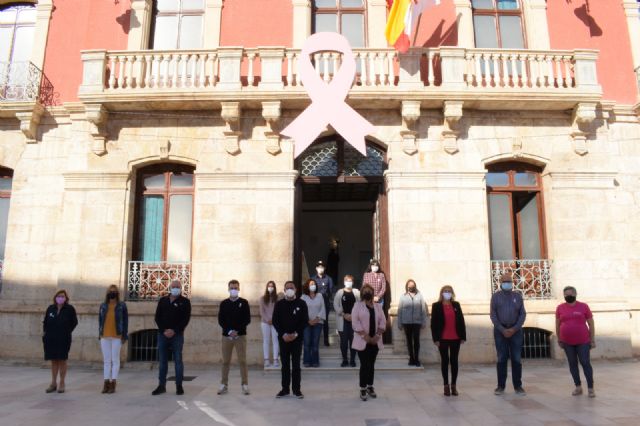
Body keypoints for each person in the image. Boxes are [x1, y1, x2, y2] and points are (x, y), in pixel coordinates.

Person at [152, 279, 191, 396]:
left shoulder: (185, 302)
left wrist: (174, 330)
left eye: (177, 287)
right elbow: (157, 317)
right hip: (162, 335)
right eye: (173, 286)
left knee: (178, 360)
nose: (175, 288)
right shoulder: (163, 300)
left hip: (177, 335)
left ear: (180, 288)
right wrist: (164, 330)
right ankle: (161, 385)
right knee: (163, 361)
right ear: (170, 288)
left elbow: (185, 319)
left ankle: (179, 386)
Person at [490, 273, 527, 396]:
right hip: (500, 331)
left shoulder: (518, 296)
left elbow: (522, 314)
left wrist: (514, 329)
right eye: (504, 281)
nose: (507, 283)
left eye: (509, 281)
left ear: (512, 283)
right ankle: (500, 386)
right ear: (500, 283)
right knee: (501, 359)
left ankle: (518, 386)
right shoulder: (495, 297)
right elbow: (493, 315)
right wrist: (502, 329)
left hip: (516, 331)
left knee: (516, 359)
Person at [556, 286, 596, 398]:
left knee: (585, 362)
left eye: (569, 294)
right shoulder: (560, 308)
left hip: (583, 341)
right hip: (567, 342)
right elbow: (557, 324)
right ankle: (578, 387)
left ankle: (590, 388)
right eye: (565, 295)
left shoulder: (584, 306)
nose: (567, 296)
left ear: (575, 294)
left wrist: (592, 339)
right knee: (572, 364)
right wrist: (559, 338)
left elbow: (591, 323)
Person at [273, 281, 308, 399]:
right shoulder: (279, 304)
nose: (289, 289)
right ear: (284, 290)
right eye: (287, 288)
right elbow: (275, 321)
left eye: (291, 288)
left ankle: (297, 390)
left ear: (296, 289)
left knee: (296, 365)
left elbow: (304, 321)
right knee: (285, 365)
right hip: (283, 339)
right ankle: (285, 389)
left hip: (297, 339)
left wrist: (295, 334)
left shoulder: (302, 303)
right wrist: (283, 334)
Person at [351, 284, 386, 401]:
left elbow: (383, 321)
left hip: (375, 341)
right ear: (362, 294)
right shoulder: (357, 306)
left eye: (369, 291)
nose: (367, 292)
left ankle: (370, 386)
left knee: (371, 365)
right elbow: (355, 322)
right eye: (365, 291)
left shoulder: (378, 307)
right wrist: (365, 336)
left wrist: (377, 336)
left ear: (372, 293)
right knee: (364, 365)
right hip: (362, 341)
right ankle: (362, 388)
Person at [431, 285, 466, 396]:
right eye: (445, 291)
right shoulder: (436, 306)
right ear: (441, 293)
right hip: (443, 338)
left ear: (452, 293)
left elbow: (461, 320)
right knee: (445, 362)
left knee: (454, 362)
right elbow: (433, 324)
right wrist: (435, 339)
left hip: (455, 337)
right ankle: (446, 386)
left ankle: (454, 386)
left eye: (449, 291)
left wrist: (463, 336)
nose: (447, 293)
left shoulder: (456, 305)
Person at [217, 279, 251, 395]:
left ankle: (245, 384)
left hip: (240, 336)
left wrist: (237, 331)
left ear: (239, 289)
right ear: (228, 289)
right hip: (227, 336)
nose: (233, 290)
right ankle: (223, 384)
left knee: (242, 361)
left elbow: (247, 319)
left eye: (235, 288)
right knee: (225, 361)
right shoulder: (224, 303)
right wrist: (229, 331)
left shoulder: (244, 302)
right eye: (232, 288)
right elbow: (221, 320)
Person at [42, 289, 78, 394]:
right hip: (51, 338)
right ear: (55, 297)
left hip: (64, 338)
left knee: (62, 360)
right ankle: (53, 383)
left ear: (66, 298)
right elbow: (45, 322)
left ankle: (62, 383)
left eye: (62, 296)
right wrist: (45, 333)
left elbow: (74, 322)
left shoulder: (70, 309)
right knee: (54, 360)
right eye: (58, 296)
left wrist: (66, 331)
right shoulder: (50, 308)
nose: (60, 298)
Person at [98, 284, 128, 394]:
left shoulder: (122, 305)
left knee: (115, 360)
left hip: (117, 336)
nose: (112, 293)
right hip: (104, 336)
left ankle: (113, 383)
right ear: (107, 293)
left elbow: (125, 321)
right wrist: (100, 333)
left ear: (118, 294)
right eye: (110, 291)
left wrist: (124, 335)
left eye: (114, 291)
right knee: (106, 361)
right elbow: (100, 320)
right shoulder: (103, 306)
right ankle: (106, 383)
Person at [397, 279, 428, 367]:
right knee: (409, 341)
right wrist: (399, 323)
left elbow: (423, 309)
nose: (411, 287)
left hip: (417, 322)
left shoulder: (420, 295)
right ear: (407, 286)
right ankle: (411, 358)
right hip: (406, 322)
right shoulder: (403, 296)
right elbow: (400, 310)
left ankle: (417, 359)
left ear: (415, 286)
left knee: (416, 341)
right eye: (409, 286)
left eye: (412, 285)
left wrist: (423, 322)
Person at [333, 274, 360, 367]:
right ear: (344, 282)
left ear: (352, 282)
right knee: (344, 342)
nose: (348, 282)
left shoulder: (356, 292)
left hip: (354, 320)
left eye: (350, 281)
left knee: (353, 341)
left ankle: (352, 360)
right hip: (342, 320)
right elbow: (335, 305)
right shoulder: (339, 292)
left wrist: (353, 315)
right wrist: (344, 314)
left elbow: (361, 305)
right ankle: (344, 359)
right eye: (347, 281)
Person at [301, 278, 326, 368]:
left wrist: (317, 319)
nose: (313, 285)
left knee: (315, 343)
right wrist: (308, 320)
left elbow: (323, 308)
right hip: (306, 323)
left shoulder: (320, 296)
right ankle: (307, 361)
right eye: (311, 284)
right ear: (307, 286)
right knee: (307, 342)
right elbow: (301, 311)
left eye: (314, 284)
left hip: (318, 322)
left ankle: (315, 361)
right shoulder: (303, 297)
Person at [311, 260, 333, 346]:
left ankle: (326, 340)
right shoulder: (312, 278)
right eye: (319, 267)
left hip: (325, 303)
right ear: (316, 268)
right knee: (315, 320)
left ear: (324, 268)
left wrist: (326, 295)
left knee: (325, 321)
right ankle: (314, 339)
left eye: (322, 267)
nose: (320, 269)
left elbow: (331, 290)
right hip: (315, 303)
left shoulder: (328, 278)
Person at [260, 280, 280, 368]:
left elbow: (279, 311)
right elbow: (261, 311)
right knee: (266, 341)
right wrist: (267, 319)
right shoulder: (262, 298)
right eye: (269, 286)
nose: (270, 288)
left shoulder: (278, 299)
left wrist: (273, 320)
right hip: (265, 322)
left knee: (275, 340)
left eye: (272, 286)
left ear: (274, 288)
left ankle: (276, 359)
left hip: (275, 322)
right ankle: (266, 360)